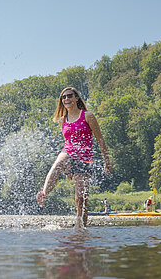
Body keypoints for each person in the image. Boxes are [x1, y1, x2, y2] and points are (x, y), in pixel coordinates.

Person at [35, 87, 112, 228]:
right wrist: (68, 170)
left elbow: (100, 139)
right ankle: (44, 193)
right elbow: (67, 141)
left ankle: (80, 229)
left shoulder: (88, 116)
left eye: (69, 96)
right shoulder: (63, 120)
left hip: (85, 158)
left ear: (76, 98)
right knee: (57, 164)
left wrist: (107, 162)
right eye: (63, 97)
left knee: (80, 199)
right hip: (69, 152)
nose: (66, 99)